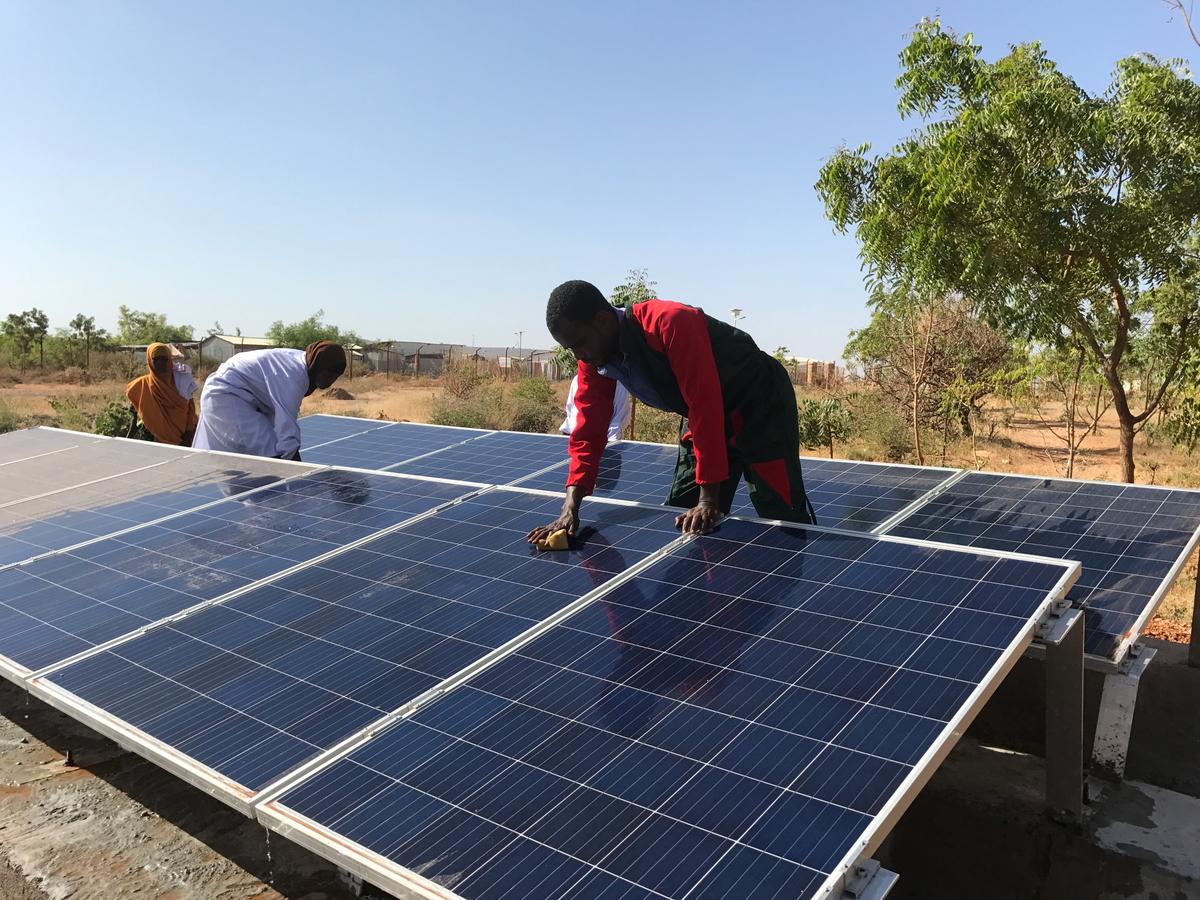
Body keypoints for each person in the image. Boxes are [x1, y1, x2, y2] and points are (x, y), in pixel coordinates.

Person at [527, 280, 814, 542]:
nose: (579, 355)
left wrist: (708, 501)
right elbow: (588, 433)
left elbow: (704, 403)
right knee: (682, 514)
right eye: (571, 349)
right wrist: (569, 509)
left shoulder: (669, 322)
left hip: (760, 407)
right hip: (701, 413)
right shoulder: (595, 360)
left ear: (602, 320)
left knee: (781, 513)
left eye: (579, 343)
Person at [192, 340, 346, 461]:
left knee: (256, 457)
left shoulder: (302, 363)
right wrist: (300, 475)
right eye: (327, 373)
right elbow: (287, 430)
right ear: (317, 365)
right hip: (227, 395)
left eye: (335, 376)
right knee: (269, 452)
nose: (330, 380)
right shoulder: (294, 376)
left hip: (244, 395)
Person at [123, 342, 198, 446]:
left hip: (184, 439)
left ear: (169, 360)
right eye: (156, 359)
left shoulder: (182, 380)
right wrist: (126, 440)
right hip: (155, 442)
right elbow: (135, 416)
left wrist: (189, 433)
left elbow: (191, 408)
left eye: (164, 359)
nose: (160, 363)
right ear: (150, 361)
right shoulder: (141, 386)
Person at [560, 373, 631, 441]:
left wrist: (611, 443)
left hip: (600, 441)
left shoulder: (618, 384)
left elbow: (618, 420)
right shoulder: (578, 379)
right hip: (571, 436)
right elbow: (570, 409)